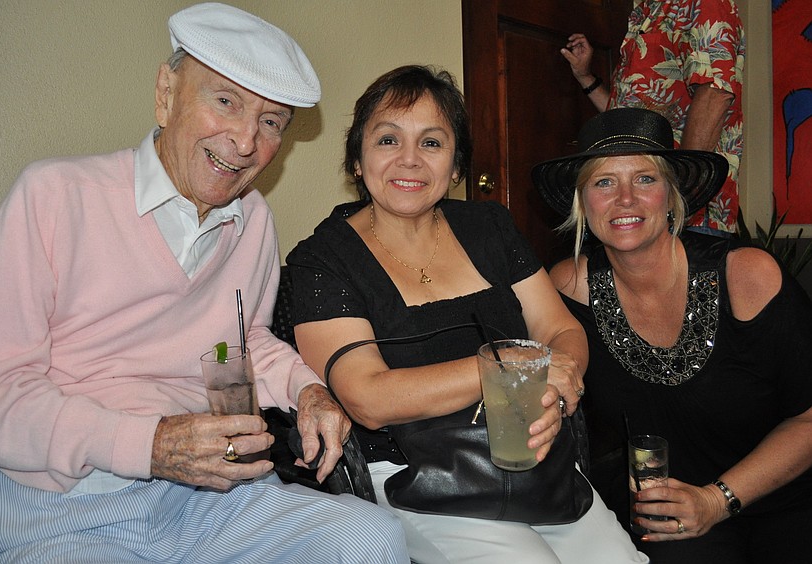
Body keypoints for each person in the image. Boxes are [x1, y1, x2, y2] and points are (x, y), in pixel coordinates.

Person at [0, 4, 408, 562]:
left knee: (370, 538)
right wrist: (148, 447)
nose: (246, 141)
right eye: (225, 101)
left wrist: (305, 388)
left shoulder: (254, 220)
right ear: (167, 93)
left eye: (271, 122)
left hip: (207, 498)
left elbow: (237, 346)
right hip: (61, 505)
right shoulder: (53, 196)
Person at [286, 65, 647, 564]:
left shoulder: (490, 226)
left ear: (456, 164)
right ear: (356, 159)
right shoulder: (322, 260)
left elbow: (559, 329)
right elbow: (368, 398)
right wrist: (505, 370)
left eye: (432, 143)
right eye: (388, 140)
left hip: (533, 462)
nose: (409, 160)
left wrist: (559, 382)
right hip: (416, 481)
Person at [533, 106, 812, 563]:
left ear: (671, 195)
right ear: (583, 202)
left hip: (784, 499)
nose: (625, 199)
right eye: (604, 182)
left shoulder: (745, 276)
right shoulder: (568, 287)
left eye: (644, 179)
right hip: (671, 512)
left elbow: (808, 418)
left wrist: (716, 500)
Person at [560, 0, 744, 236]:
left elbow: (714, 92)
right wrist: (586, 78)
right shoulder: (646, 11)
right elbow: (629, 123)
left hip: (687, 216)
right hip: (646, 208)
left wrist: (681, 193)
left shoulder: (702, 3)